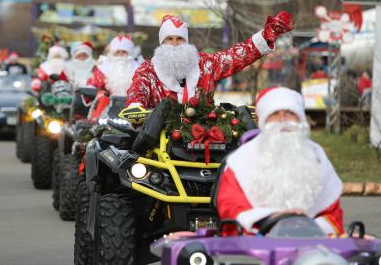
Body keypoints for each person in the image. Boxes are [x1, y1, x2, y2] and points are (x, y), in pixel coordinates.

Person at [216, 87, 344, 236]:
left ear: (300, 118)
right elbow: (231, 207)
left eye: (290, 113)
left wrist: (309, 226)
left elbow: (332, 214)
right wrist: (270, 219)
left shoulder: (318, 157)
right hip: (256, 246)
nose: (283, 120)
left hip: (313, 244)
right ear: (264, 120)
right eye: (275, 114)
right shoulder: (240, 161)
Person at [125, 12, 294, 109]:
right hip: (159, 140)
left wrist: (268, 34)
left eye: (180, 39)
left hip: (203, 136)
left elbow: (236, 57)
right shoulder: (148, 70)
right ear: (162, 42)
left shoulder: (205, 64)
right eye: (169, 39)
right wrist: (136, 105)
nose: (175, 44)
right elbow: (138, 89)